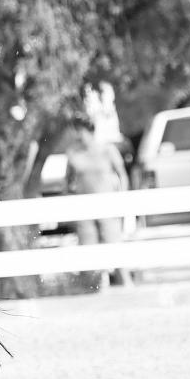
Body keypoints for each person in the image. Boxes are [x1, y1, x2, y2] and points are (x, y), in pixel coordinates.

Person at [64, 116, 132, 286]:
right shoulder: (73, 153)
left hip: (107, 204)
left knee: (113, 242)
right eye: (76, 131)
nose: (79, 136)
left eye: (81, 131)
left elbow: (122, 174)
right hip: (83, 207)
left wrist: (122, 197)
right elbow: (68, 181)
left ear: (90, 131)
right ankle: (95, 286)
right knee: (88, 246)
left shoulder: (107, 150)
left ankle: (125, 282)